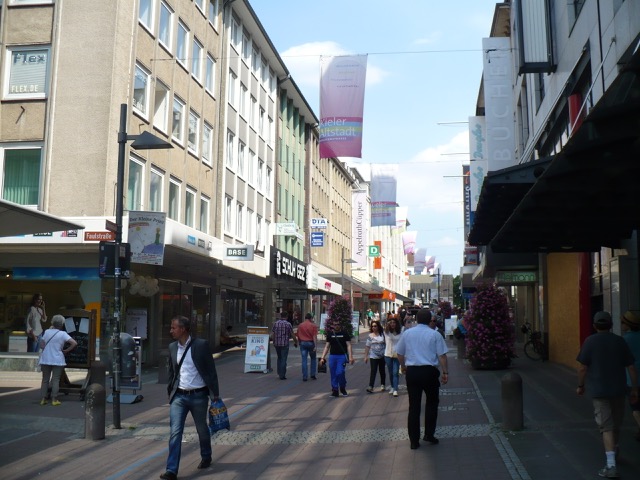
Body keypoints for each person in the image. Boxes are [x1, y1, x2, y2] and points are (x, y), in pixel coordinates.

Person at [576, 311, 638, 479]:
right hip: (618, 389)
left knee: (606, 427)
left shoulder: (590, 341)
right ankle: (614, 449)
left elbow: (583, 367)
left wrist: (580, 386)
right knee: (615, 424)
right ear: (611, 325)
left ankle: (610, 465)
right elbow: (631, 367)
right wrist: (634, 388)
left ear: (595, 326)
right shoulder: (619, 341)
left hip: (599, 391)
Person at [162, 315, 220, 480]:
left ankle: (206, 455)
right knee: (175, 432)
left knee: (202, 429)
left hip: (199, 396)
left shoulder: (201, 345)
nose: (171, 330)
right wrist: (170, 392)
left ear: (183, 329)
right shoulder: (173, 347)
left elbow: (211, 370)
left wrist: (215, 394)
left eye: (174, 327)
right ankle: (171, 470)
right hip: (179, 396)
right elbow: (171, 372)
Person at [396, 308, 449, 450]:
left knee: (414, 406)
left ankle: (414, 440)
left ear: (417, 319)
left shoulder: (407, 334)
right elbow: (442, 355)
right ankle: (429, 434)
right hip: (429, 371)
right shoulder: (435, 334)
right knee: (432, 403)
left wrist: (403, 367)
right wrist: (445, 372)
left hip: (412, 372)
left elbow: (399, 353)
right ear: (430, 320)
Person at [38, 314, 77, 406]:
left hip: (46, 359)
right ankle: (54, 399)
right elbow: (74, 343)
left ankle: (43, 399)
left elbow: (42, 345)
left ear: (52, 322)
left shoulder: (47, 332)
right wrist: (66, 350)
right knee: (55, 379)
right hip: (58, 359)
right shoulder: (63, 334)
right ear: (62, 324)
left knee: (45, 379)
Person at [319, 322, 355, 397]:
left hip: (342, 357)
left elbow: (349, 345)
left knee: (340, 372)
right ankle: (335, 390)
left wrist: (351, 356)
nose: (337, 326)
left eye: (338, 324)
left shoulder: (344, 333)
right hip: (332, 356)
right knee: (333, 373)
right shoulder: (330, 334)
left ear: (340, 325)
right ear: (333, 326)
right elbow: (327, 346)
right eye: (335, 325)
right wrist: (322, 357)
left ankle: (342, 387)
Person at [272, 311, 297, 380]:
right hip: (285, 344)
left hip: (277, 343)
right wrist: (296, 342)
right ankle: (282, 375)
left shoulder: (276, 323)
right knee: (283, 359)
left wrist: (273, 342)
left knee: (279, 358)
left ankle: (279, 372)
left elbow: (273, 334)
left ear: (280, 316)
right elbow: (292, 334)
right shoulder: (288, 324)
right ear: (287, 316)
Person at [364, 321, 386, 393]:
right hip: (373, 356)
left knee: (382, 370)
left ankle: (383, 384)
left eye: (375, 326)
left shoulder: (382, 335)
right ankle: (371, 386)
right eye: (372, 326)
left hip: (382, 356)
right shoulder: (370, 336)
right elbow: (367, 346)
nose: (374, 327)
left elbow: (387, 344)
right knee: (373, 371)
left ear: (378, 326)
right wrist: (366, 356)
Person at [297, 312, 319, 381]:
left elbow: (298, 335)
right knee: (313, 359)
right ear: (310, 318)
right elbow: (314, 336)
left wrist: (299, 342)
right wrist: (315, 346)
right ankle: (312, 374)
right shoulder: (313, 326)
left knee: (304, 360)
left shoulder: (300, 325)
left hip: (303, 343)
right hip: (311, 343)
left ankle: (305, 376)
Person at [384, 317, 403, 397]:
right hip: (388, 354)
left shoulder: (401, 332)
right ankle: (392, 386)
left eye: (394, 322)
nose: (392, 324)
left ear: (397, 324)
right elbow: (385, 329)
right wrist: (387, 324)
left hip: (397, 355)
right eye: (391, 323)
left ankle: (395, 389)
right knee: (391, 372)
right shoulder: (386, 332)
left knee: (395, 372)